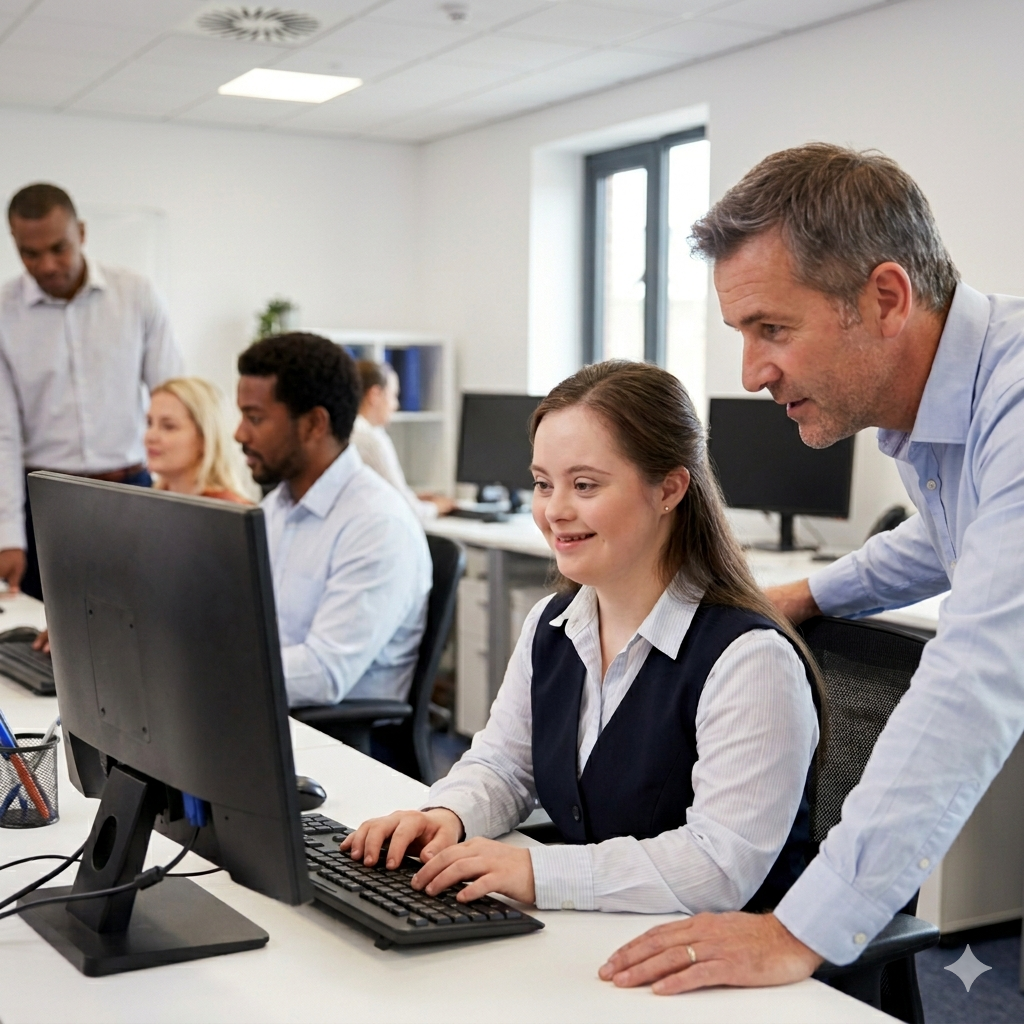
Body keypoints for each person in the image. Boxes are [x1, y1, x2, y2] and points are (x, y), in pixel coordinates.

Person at [599, 143, 1024, 995]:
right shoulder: (942, 405)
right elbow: (948, 538)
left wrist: (804, 925)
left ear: (886, 298)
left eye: (773, 329)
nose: (753, 373)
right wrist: (805, 592)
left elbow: (979, 673)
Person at [341, 360, 819, 918]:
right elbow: (504, 767)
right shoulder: (554, 624)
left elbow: (718, 869)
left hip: (723, 972)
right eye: (544, 483)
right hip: (603, 937)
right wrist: (447, 817)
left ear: (669, 488)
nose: (554, 511)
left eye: (584, 484)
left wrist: (535, 871)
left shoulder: (749, 659)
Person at [0, 182, 182, 600]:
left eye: (58, 248)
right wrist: (8, 533)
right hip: (45, 501)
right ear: (15, 244)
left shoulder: (135, 293)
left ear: (81, 233)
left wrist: (183, 499)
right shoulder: (4, 312)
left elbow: (174, 401)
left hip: (130, 489)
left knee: (141, 618)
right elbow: (3, 433)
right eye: (31, 253)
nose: (47, 265)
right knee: (47, 635)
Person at [235, 333, 431, 707]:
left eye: (255, 418)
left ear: (313, 425)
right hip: (274, 715)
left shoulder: (377, 524)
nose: (239, 433)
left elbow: (323, 675)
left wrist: (215, 671)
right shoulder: (278, 505)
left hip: (344, 741)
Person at [351, 359, 456, 518]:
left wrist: (412, 496)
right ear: (374, 395)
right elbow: (406, 509)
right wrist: (437, 507)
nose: (396, 405)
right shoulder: (370, 439)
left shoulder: (346, 429)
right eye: (393, 395)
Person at [147, 377, 251, 504]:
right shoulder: (149, 502)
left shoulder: (232, 511)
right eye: (149, 423)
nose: (150, 437)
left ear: (205, 438)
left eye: (169, 427)